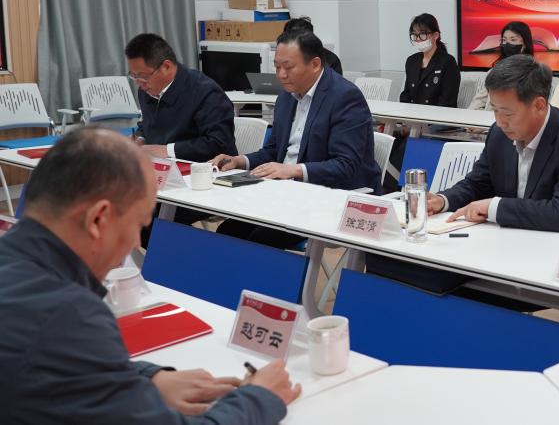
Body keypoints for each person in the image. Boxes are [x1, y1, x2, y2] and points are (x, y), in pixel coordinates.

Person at [0, 127, 300, 423]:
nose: (135, 243)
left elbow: (60, 363)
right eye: (137, 225)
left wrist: (147, 378)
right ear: (98, 219)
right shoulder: (68, 315)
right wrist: (259, 397)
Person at [214, 30, 381, 248]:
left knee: (260, 239)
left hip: (330, 197)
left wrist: (293, 170)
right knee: (228, 231)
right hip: (287, 193)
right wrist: (239, 161)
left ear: (315, 64)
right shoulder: (286, 96)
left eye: (288, 67)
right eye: (276, 67)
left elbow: (346, 165)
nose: (281, 75)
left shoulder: (345, 97)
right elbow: (273, 151)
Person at [427, 55, 559, 239]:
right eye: (495, 110)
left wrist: (493, 207)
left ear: (539, 106)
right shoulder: (499, 135)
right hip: (519, 239)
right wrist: (443, 200)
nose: (500, 122)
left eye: (507, 114)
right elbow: (477, 184)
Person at [125, 33, 237, 161]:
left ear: (166, 67)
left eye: (143, 76)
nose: (139, 83)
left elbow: (218, 143)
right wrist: (140, 139)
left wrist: (167, 150)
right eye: (134, 76)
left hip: (209, 168)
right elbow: (148, 124)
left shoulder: (206, 92)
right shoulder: (146, 90)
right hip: (164, 166)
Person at [469, 21, 534, 111]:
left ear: (525, 44)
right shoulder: (494, 70)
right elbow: (479, 100)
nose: (507, 44)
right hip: (487, 118)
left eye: (513, 40)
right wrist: (474, 117)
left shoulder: (532, 72)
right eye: (504, 40)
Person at [399, 13, 460, 107]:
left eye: (423, 34)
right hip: (413, 114)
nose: (418, 39)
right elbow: (406, 95)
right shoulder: (411, 61)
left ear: (435, 35)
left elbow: (447, 101)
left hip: (438, 114)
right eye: (414, 35)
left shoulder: (448, 62)